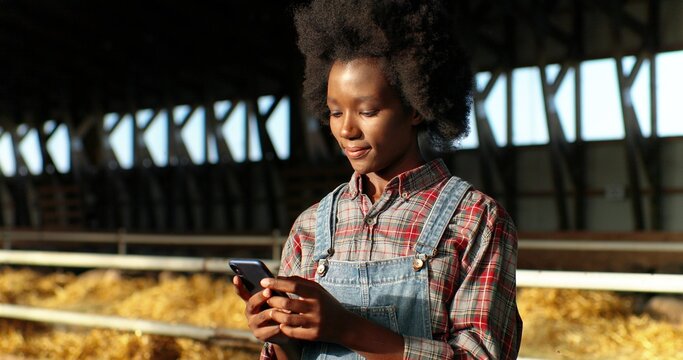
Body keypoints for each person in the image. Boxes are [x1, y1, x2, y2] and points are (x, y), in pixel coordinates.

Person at [233, 0, 523, 358]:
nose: (346, 129)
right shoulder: (311, 226)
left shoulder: (476, 220)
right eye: (335, 112)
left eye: (367, 111)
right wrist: (281, 340)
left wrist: (347, 328)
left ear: (417, 106)